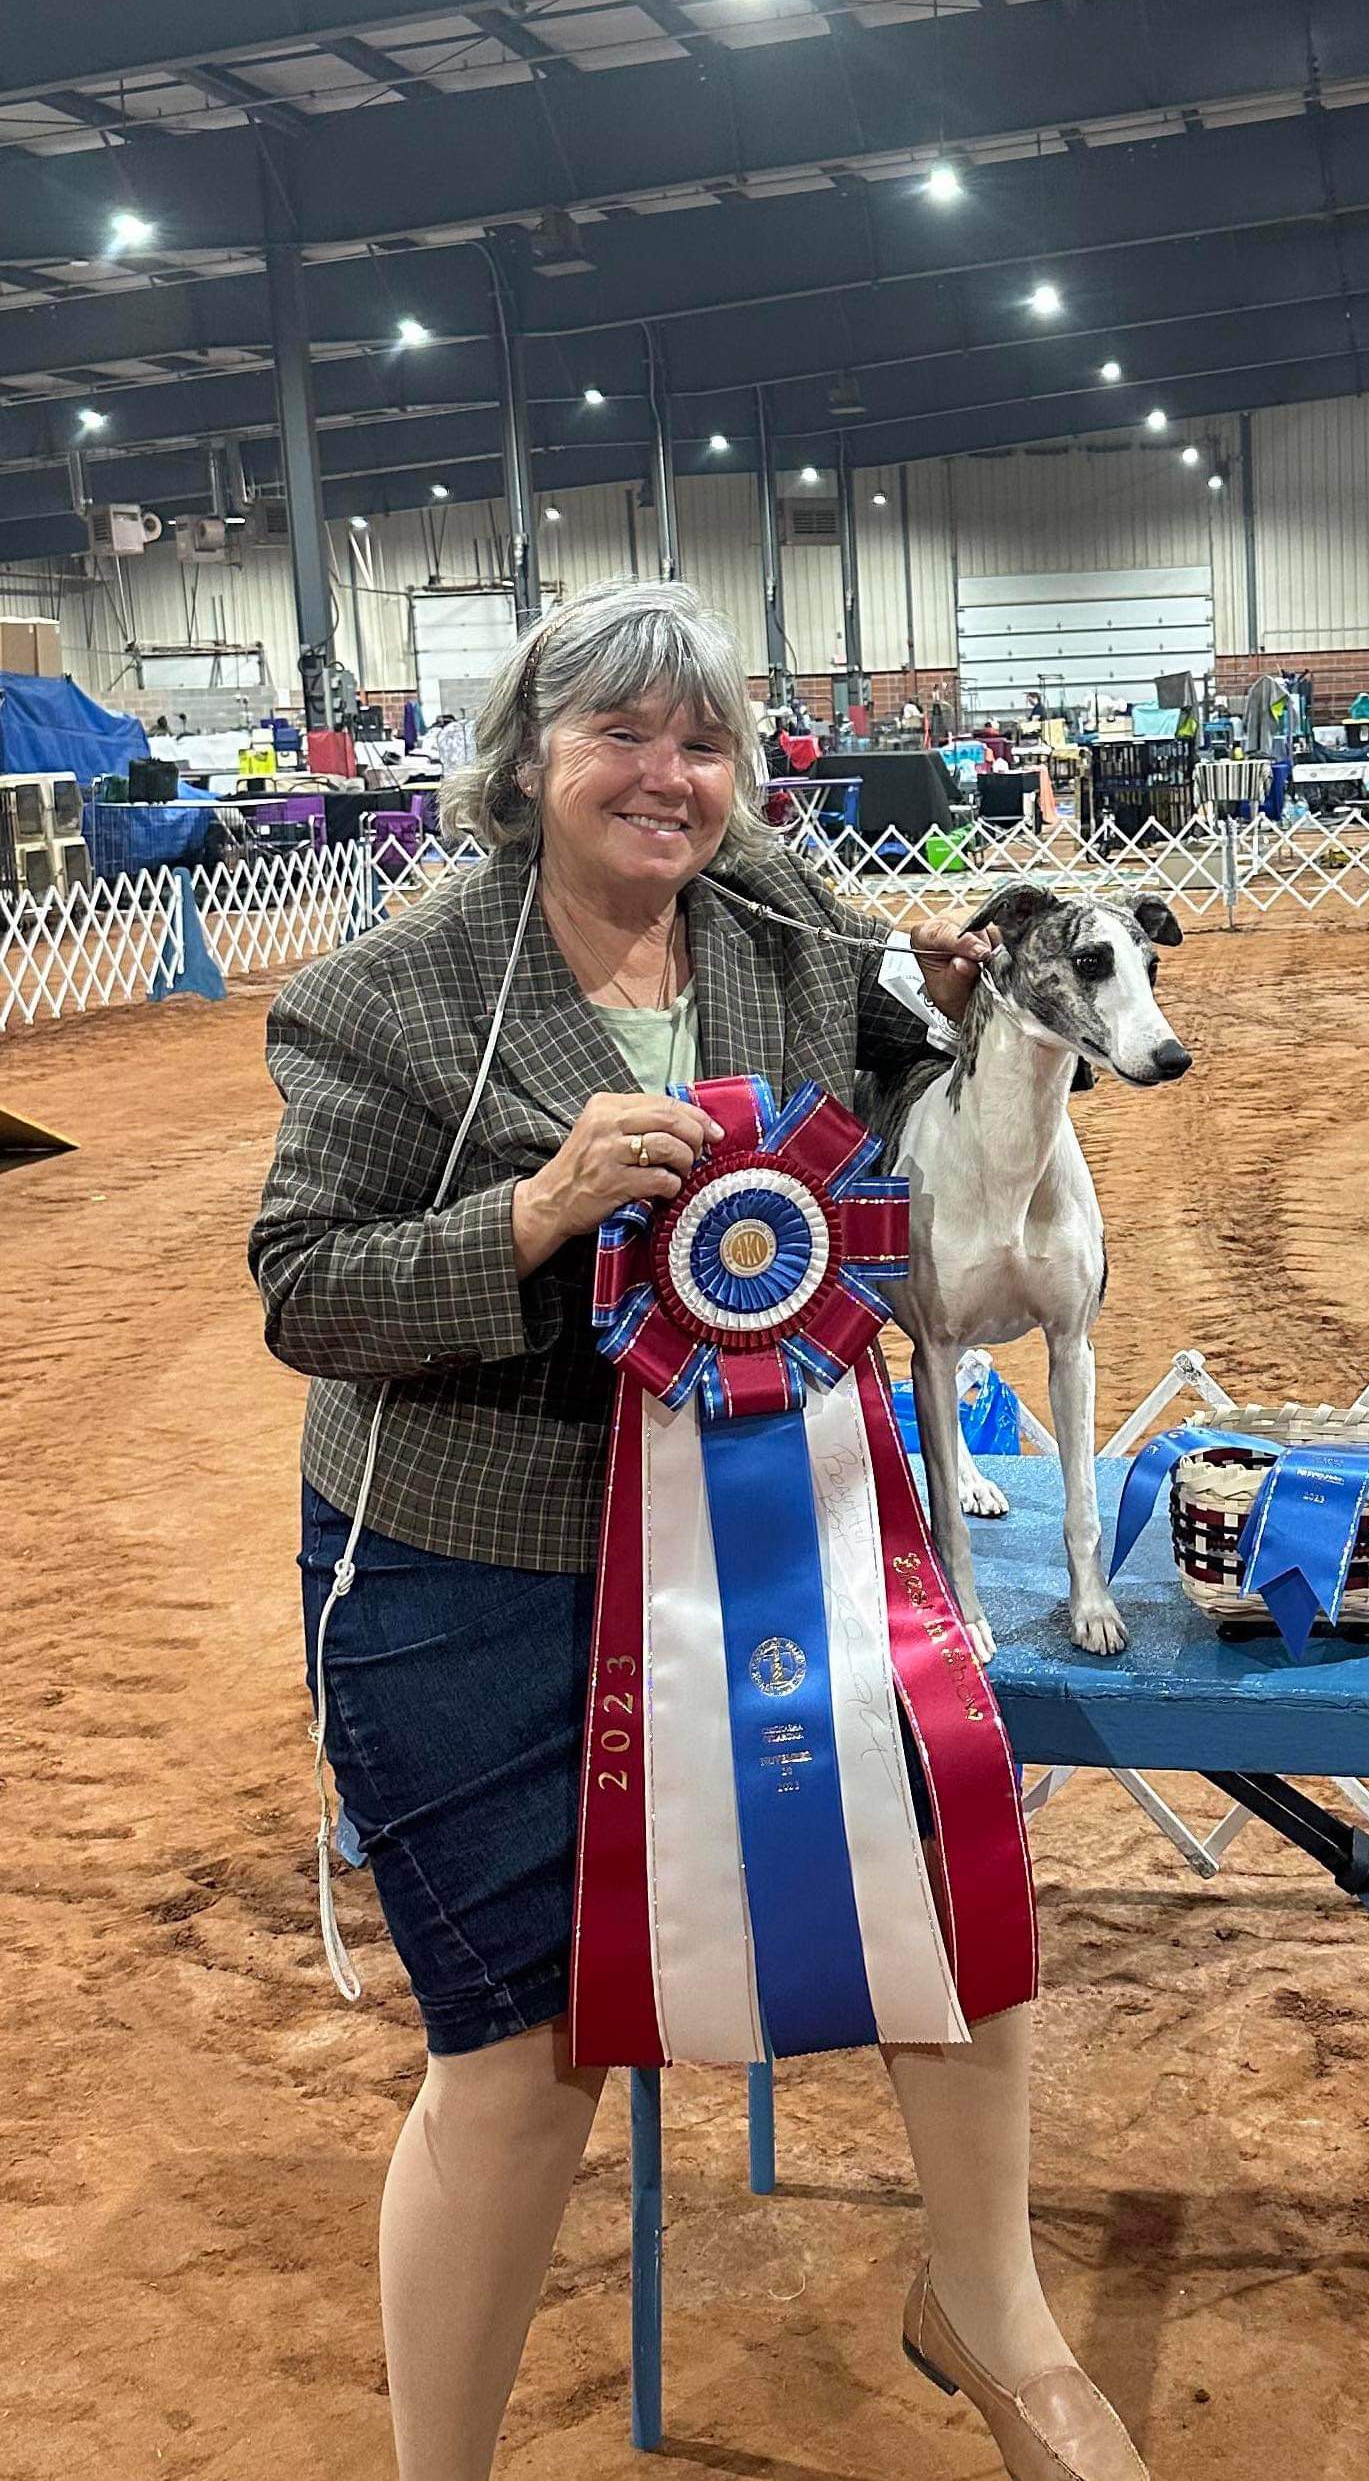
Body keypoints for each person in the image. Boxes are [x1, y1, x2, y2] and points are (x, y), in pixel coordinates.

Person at [249, 578, 1148, 2481]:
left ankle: (994, 2320)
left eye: (705, 741)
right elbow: (304, 1288)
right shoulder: (386, 993)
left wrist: (953, 1010)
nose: (668, 777)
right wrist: (531, 1214)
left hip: (784, 1532)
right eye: (621, 734)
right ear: (526, 758)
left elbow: (889, 1103)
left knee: (949, 1880)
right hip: (470, 1562)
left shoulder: (783, 921)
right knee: (521, 2057)